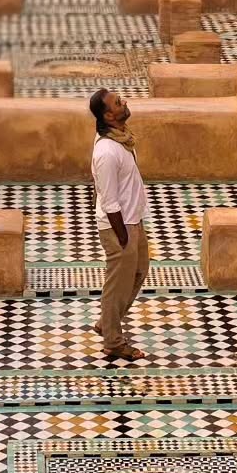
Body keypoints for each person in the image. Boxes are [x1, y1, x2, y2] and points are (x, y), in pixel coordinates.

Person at [88, 86, 150, 361]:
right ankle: (113, 342)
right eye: (117, 102)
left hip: (132, 222)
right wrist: (123, 236)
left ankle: (107, 322)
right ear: (109, 116)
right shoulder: (107, 152)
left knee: (138, 273)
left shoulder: (122, 141)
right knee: (117, 286)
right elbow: (109, 199)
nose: (123, 102)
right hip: (119, 228)